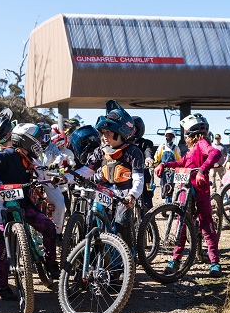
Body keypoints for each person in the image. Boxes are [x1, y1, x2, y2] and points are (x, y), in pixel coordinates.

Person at [0, 123, 60, 301]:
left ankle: (51, 263)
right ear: (27, 141)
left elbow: (42, 175)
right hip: (6, 208)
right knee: (3, 247)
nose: (40, 143)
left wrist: (52, 178)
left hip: (24, 204)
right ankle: (2, 287)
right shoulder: (6, 154)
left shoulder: (31, 160)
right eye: (38, 140)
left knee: (48, 227)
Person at [154, 113, 222, 277]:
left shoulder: (202, 143)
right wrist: (164, 164)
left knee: (206, 223)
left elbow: (215, 154)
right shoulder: (191, 149)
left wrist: (202, 170)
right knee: (181, 223)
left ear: (192, 132)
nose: (184, 135)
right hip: (185, 183)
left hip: (199, 186)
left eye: (185, 132)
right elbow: (182, 163)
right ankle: (176, 260)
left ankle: (214, 262)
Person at [70, 103, 144, 249]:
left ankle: (126, 261)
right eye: (103, 132)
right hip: (103, 192)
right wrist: (65, 178)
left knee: (121, 225)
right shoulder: (100, 151)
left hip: (124, 196)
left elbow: (138, 179)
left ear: (120, 133)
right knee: (92, 221)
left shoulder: (133, 152)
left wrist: (132, 196)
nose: (104, 136)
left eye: (108, 132)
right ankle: (92, 258)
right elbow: (86, 170)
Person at [35, 122, 66, 238]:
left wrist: (55, 164)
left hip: (49, 177)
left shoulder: (53, 146)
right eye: (39, 137)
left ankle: (58, 231)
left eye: (45, 137)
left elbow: (59, 156)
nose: (42, 141)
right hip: (34, 177)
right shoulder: (32, 146)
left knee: (60, 203)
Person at [132, 116, 155, 210]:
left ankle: (149, 222)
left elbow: (148, 150)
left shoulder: (145, 143)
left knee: (147, 201)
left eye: (133, 129)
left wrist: (148, 158)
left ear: (139, 130)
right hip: (126, 177)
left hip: (143, 175)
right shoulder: (123, 143)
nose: (130, 131)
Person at [154, 128, 181, 203]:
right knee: (164, 187)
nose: (169, 138)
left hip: (172, 171)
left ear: (173, 137)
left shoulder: (176, 148)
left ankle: (168, 203)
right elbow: (157, 158)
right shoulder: (161, 147)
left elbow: (179, 160)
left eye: (171, 136)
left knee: (171, 187)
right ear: (165, 137)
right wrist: (154, 165)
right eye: (167, 136)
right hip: (163, 171)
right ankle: (166, 203)